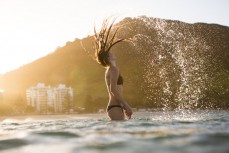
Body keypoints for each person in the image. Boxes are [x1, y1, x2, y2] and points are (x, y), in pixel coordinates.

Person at [93, 18, 133, 120]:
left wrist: (123, 106)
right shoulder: (113, 69)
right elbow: (113, 89)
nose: (112, 53)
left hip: (115, 106)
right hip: (115, 107)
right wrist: (126, 105)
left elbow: (114, 90)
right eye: (110, 52)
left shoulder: (111, 69)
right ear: (108, 57)